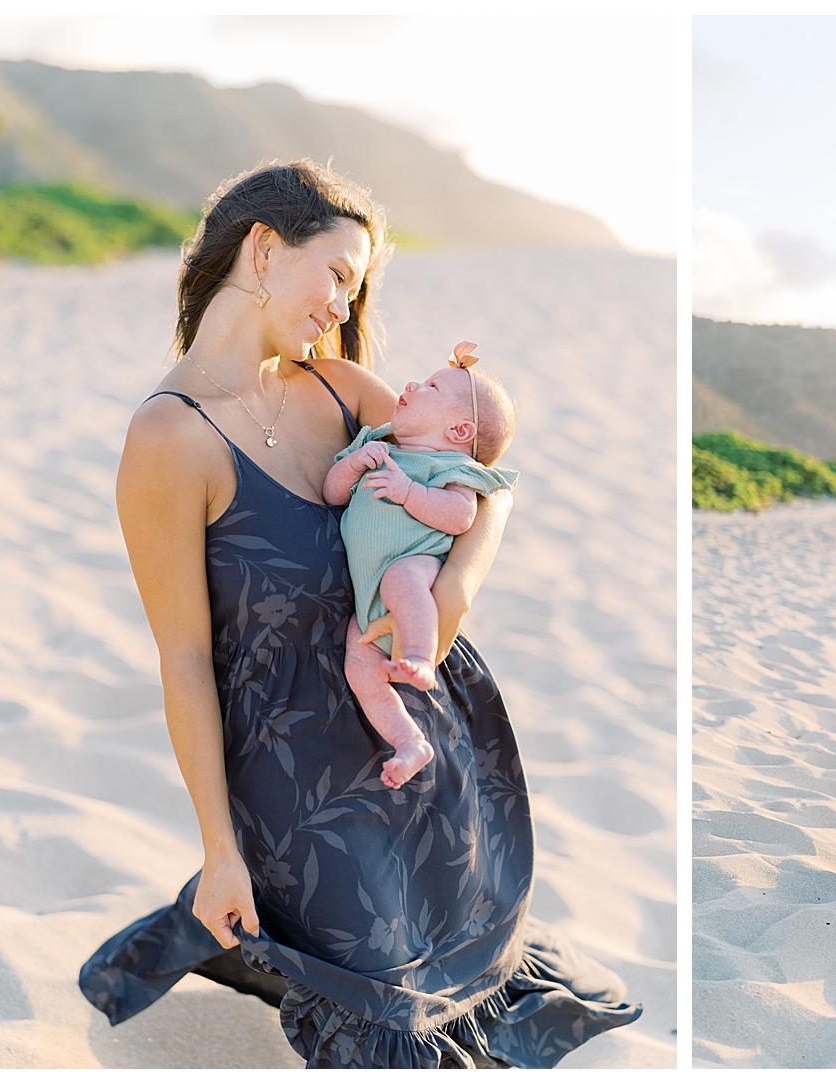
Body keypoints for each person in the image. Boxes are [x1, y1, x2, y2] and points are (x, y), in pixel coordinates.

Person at [77, 160, 640, 1068]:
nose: (346, 305)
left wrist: (455, 591)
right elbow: (183, 662)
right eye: (338, 274)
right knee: (377, 999)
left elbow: (489, 484)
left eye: (358, 284)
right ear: (263, 250)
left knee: (455, 953)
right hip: (295, 769)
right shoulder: (170, 438)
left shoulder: (342, 391)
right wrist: (221, 849)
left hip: (420, 719)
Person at [324, 345, 519, 790]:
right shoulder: (376, 443)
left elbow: (460, 516)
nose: (410, 386)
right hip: (368, 602)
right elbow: (333, 492)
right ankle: (409, 742)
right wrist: (353, 464)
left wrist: (408, 492)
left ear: (459, 429)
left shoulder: (449, 466)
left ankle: (417, 658)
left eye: (431, 387)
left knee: (403, 580)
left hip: (412, 566)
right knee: (360, 663)